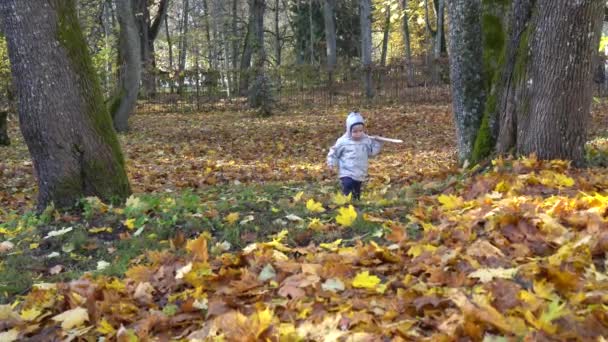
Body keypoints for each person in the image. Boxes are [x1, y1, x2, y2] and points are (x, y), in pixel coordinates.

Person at [326, 111, 383, 200]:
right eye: (355, 131)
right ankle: (346, 201)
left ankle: (356, 202)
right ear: (349, 130)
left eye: (360, 131)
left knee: (357, 189)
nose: (358, 134)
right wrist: (331, 162)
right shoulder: (343, 141)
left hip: (360, 171)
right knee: (348, 185)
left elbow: (371, 152)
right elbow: (334, 152)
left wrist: (377, 143)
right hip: (346, 171)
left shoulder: (366, 141)